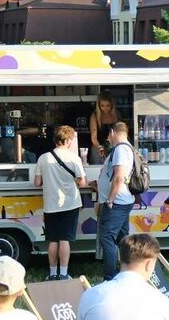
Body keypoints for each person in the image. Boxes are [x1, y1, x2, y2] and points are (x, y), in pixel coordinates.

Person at [34, 126, 87, 281]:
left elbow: (37, 182)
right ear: (68, 140)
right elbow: (82, 182)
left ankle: (52, 273)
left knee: (53, 240)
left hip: (50, 205)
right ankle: (63, 274)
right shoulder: (74, 158)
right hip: (70, 204)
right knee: (64, 239)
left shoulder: (43, 158)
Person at [93, 121, 135, 281]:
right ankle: (128, 271)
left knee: (107, 238)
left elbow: (119, 177)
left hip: (116, 202)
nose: (108, 138)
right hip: (123, 200)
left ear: (112, 132)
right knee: (122, 239)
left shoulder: (121, 149)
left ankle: (110, 278)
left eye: (108, 135)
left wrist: (110, 199)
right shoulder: (124, 148)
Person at [89, 92, 121, 161]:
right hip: (98, 148)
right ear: (99, 105)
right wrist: (99, 148)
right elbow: (93, 137)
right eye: (102, 106)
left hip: (113, 147)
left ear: (112, 105)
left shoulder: (116, 114)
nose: (105, 108)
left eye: (108, 105)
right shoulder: (95, 116)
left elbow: (120, 133)